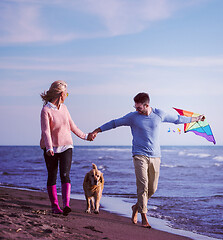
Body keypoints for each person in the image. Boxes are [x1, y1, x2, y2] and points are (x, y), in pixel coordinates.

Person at [89, 92, 204, 228]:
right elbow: (115, 123)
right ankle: (144, 217)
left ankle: (136, 207)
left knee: (153, 188)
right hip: (139, 155)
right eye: (135, 107)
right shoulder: (132, 117)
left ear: (147, 105)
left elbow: (178, 119)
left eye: (139, 108)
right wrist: (97, 130)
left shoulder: (159, 114)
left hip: (156, 156)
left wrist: (196, 118)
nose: (136, 110)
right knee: (143, 186)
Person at [40, 80, 92, 215]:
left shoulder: (64, 108)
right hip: (50, 148)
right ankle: (55, 206)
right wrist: (49, 148)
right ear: (61, 94)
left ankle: (66, 205)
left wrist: (86, 136)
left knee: (65, 175)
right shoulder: (46, 110)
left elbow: (72, 126)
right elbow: (46, 131)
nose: (67, 96)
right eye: (66, 94)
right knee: (52, 176)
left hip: (66, 146)